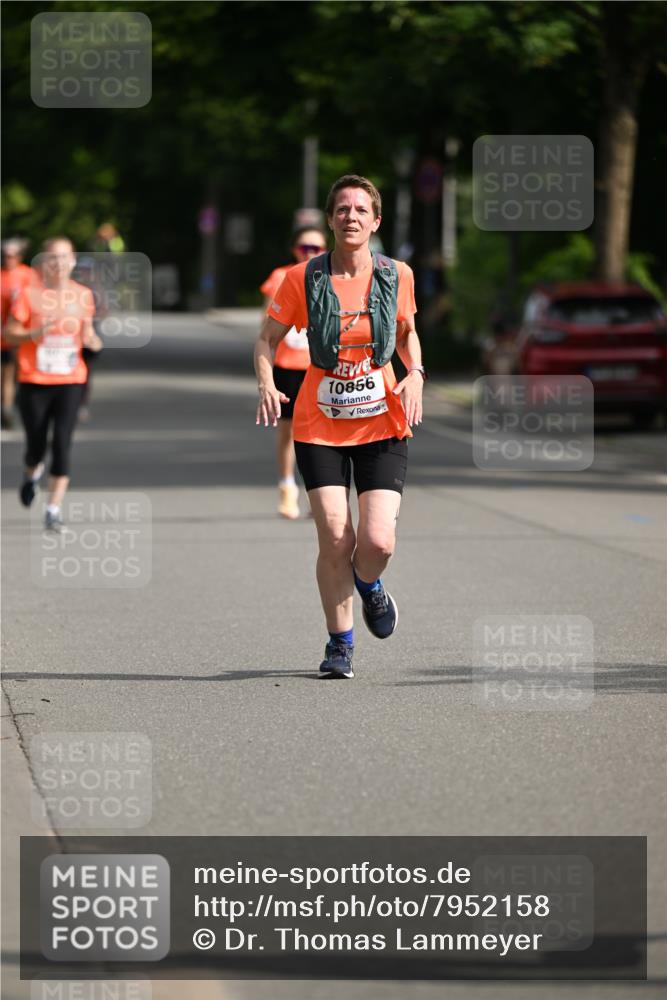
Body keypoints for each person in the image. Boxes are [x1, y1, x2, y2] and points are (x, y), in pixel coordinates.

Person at [254, 175, 425, 678]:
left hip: (381, 420)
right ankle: (339, 644)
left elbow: (408, 334)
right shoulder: (301, 279)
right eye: (342, 209)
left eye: (360, 210)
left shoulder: (398, 276)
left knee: (377, 543)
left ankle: (370, 585)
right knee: (333, 536)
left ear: (375, 221)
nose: (351, 216)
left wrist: (415, 373)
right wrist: (266, 382)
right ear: (331, 220)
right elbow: (266, 340)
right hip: (319, 422)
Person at [4, 237, 103, 531]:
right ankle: (30, 473)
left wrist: (93, 342)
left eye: (64, 258)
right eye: (52, 258)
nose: (59, 263)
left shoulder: (84, 296)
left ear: (73, 261)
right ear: (43, 263)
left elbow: (90, 338)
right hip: (34, 378)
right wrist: (35, 331)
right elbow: (10, 333)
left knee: (62, 443)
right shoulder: (29, 294)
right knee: (36, 445)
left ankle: (53, 509)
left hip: (70, 380)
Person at [259, 225, 328, 518]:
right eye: (304, 248)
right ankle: (287, 488)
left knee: (320, 434)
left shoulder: (331, 277)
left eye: (316, 249)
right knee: (288, 432)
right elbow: (267, 328)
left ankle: (319, 493)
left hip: (320, 368)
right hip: (287, 366)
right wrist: (265, 373)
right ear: (294, 249)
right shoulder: (280, 276)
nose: (309, 253)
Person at [1, 238, 34, 429]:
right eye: (4, 256)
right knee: (4, 374)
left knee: (13, 373)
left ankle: (8, 407)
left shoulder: (28, 275)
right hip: (2, 335)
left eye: (12, 255)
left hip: (18, 335)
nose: (8, 259)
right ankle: (6, 408)